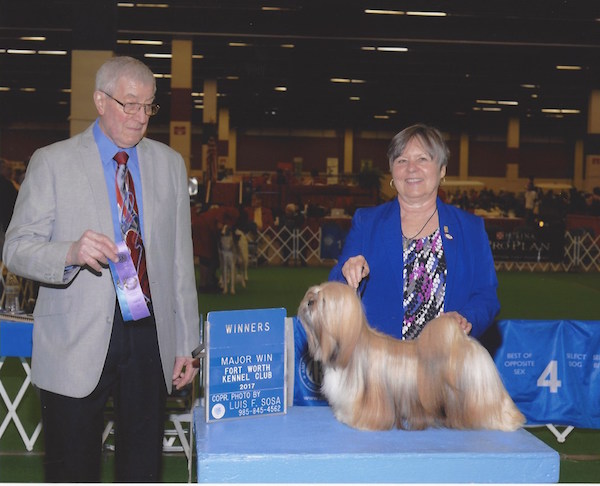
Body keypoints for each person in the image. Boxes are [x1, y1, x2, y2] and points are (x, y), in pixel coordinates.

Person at [2, 56, 200, 482]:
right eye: (129, 104)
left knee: (143, 466)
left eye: (148, 106)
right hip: (76, 337)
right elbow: (16, 248)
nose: (140, 116)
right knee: (72, 467)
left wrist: (186, 340)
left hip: (150, 336)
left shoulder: (170, 164)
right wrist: (70, 252)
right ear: (99, 100)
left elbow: (180, 260)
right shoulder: (52, 162)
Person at [329, 124, 499, 340]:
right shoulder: (367, 222)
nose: (411, 168)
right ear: (392, 171)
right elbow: (336, 285)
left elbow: (486, 296)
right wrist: (347, 273)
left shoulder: (470, 228)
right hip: (381, 363)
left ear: (442, 169)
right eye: (401, 161)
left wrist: (467, 318)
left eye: (422, 159)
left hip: (448, 361)